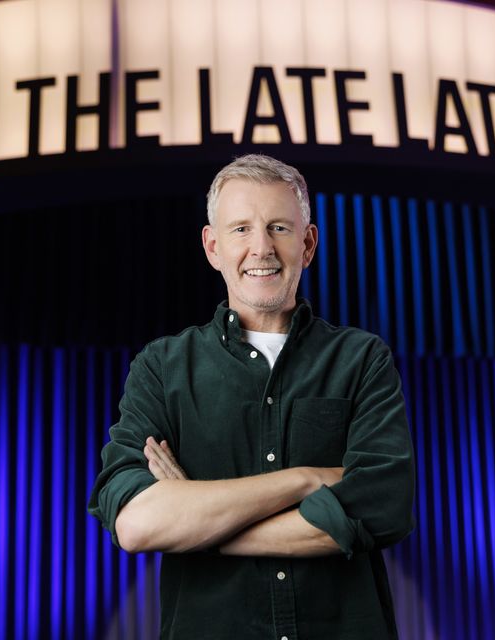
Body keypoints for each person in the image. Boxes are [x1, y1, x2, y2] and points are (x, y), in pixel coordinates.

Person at [88, 154, 416, 639]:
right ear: (212, 246)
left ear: (307, 244)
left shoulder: (362, 359)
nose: (261, 247)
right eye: (241, 229)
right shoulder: (162, 367)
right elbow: (136, 524)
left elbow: (381, 508)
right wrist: (306, 480)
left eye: (279, 227)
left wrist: (201, 526)